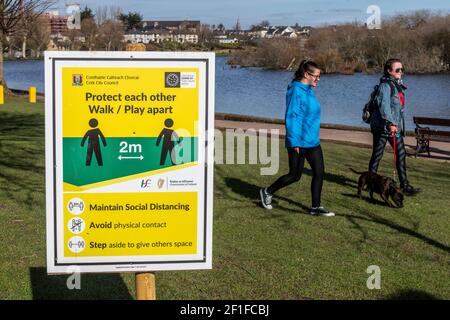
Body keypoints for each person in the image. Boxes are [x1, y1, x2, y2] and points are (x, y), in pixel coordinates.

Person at [260, 60, 335, 216]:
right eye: (317, 76)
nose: (318, 79)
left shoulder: (308, 90)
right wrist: (294, 141)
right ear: (306, 74)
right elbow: (292, 117)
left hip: (312, 140)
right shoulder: (296, 91)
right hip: (298, 141)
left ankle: (316, 207)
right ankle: (267, 191)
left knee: (319, 173)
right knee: (295, 175)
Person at [368, 58, 420, 196]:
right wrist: (391, 123)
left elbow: (398, 109)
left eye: (402, 69)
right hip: (384, 127)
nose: (401, 72)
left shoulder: (397, 85)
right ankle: (370, 183)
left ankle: (405, 185)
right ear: (389, 71)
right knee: (377, 155)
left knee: (401, 154)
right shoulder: (385, 86)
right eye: (398, 70)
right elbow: (384, 107)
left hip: (394, 128)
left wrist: (398, 126)